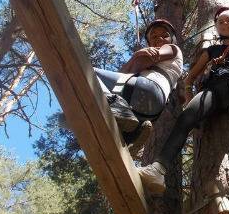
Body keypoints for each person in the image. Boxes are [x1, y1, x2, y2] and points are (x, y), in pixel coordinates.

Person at [138, 7, 229, 194]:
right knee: (185, 118)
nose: (225, 24)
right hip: (211, 91)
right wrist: (189, 99)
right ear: (217, 28)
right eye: (221, 22)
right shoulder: (211, 50)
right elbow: (190, 78)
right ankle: (157, 169)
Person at [78, 19, 183, 153]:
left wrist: (138, 58)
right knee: (118, 132)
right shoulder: (167, 61)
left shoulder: (172, 48)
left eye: (164, 35)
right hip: (152, 109)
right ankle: (133, 135)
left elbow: (143, 62)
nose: (160, 38)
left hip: (147, 87)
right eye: (154, 36)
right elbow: (123, 73)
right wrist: (137, 55)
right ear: (149, 41)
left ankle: (116, 104)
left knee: (90, 72)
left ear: (172, 39)